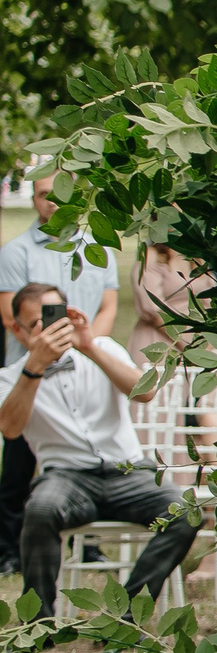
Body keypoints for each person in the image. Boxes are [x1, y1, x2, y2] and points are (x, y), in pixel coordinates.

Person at [0, 285, 197, 617]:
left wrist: (89, 347)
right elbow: (10, 428)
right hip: (66, 479)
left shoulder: (102, 347)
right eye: (38, 323)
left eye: (57, 317)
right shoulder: (9, 378)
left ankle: (129, 613)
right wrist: (34, 367)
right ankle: (38, 622)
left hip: (129, 471)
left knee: (184, 511)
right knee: (40, 509)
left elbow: (144, 393)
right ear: (18, 330)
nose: (50, 329)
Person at [0, 175, 123, 571]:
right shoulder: (16, 252)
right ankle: (8, 550)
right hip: (33, 367)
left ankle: (87, 545)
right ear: (33, 200)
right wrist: (44, 349)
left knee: (87, 453)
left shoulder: (97, 247)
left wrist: (87, 345)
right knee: (19, 461)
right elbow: (8, 313)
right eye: (41, 195)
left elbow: (108, 305)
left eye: (59, 195)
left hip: (84, 362)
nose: (51, 202)